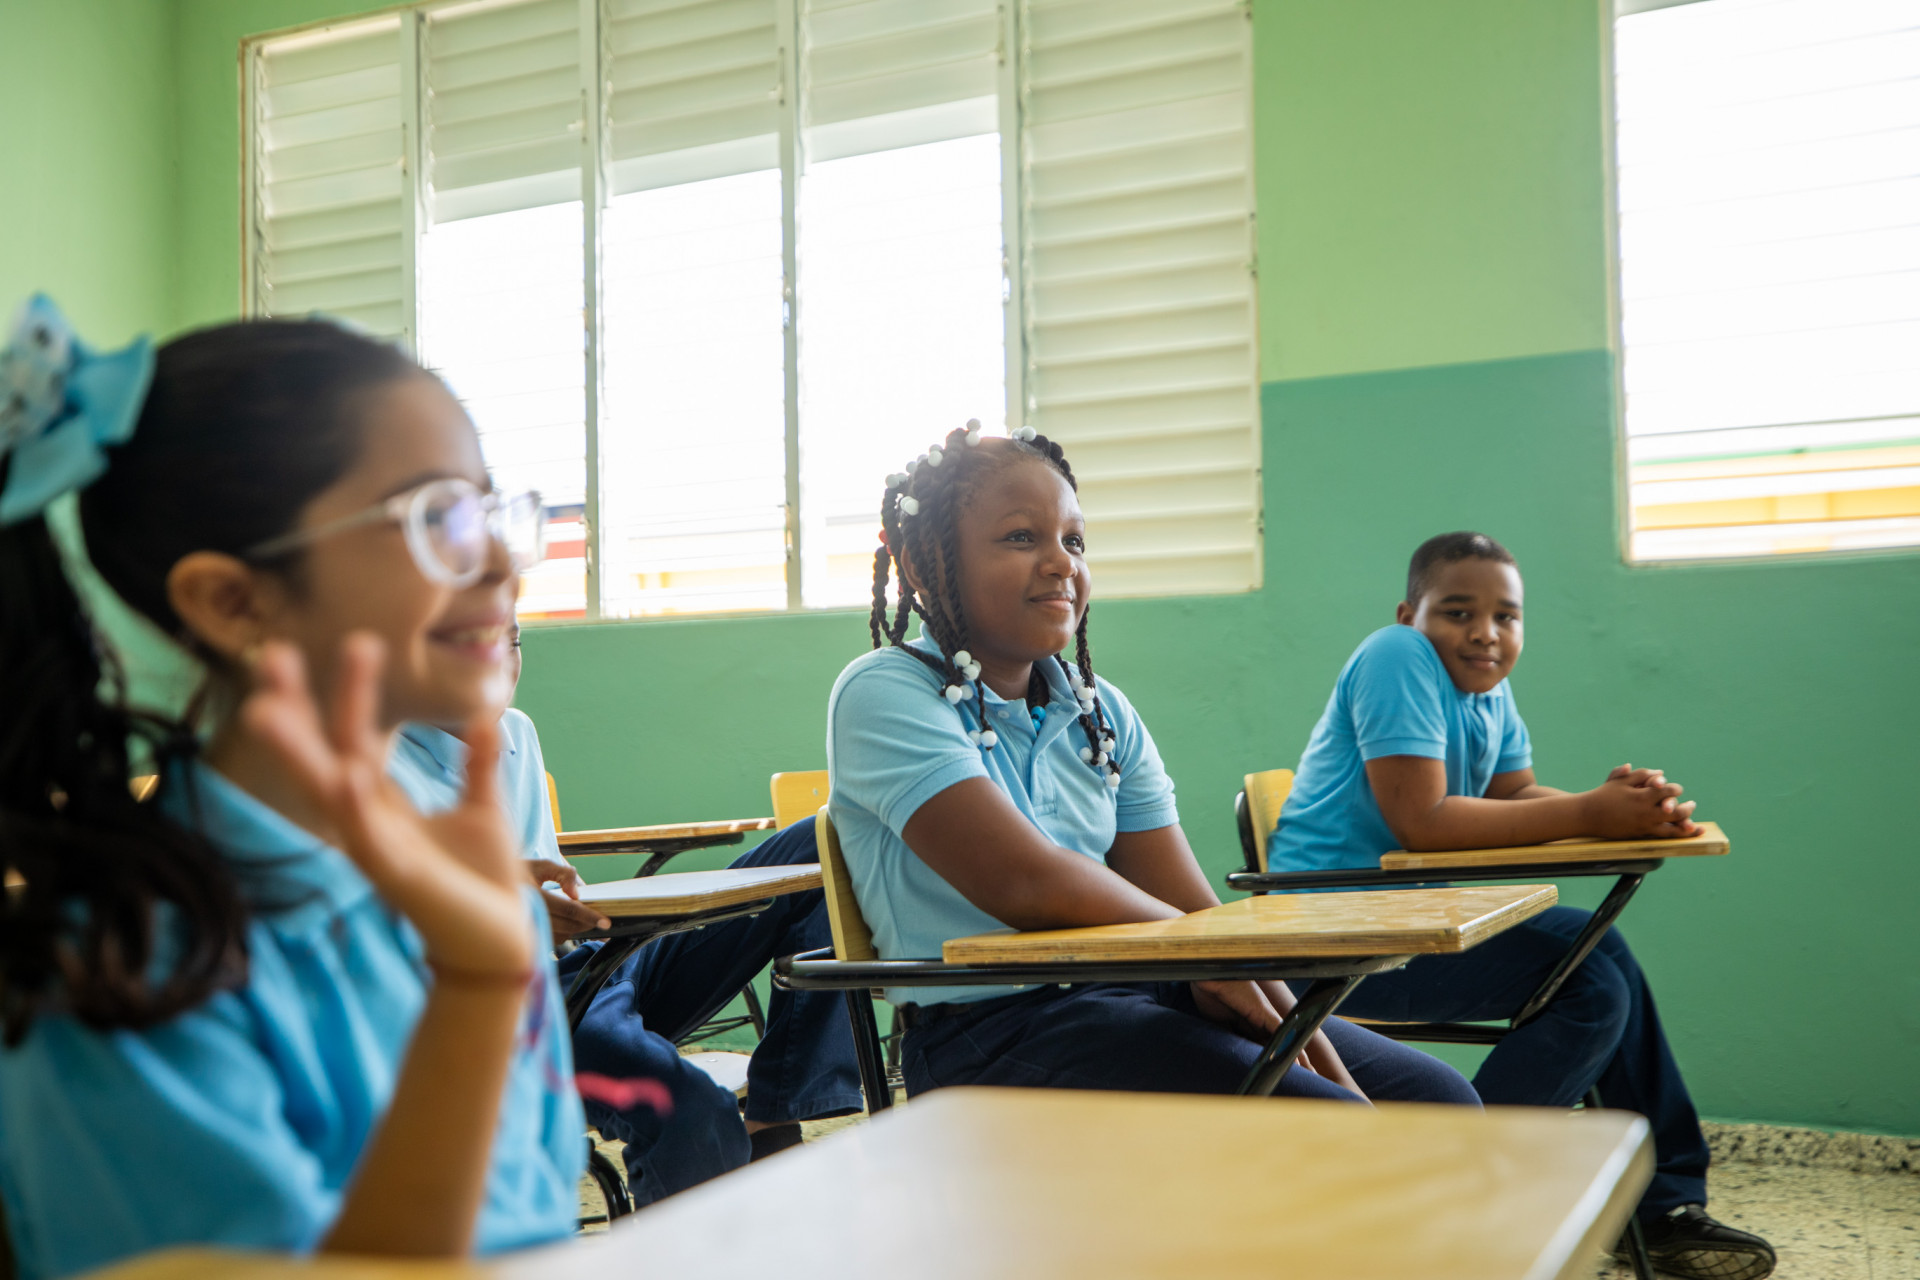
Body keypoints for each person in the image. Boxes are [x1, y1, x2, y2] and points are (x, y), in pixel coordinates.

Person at [0, 300, 580, 1279]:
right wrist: (476, 987)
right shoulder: (123, 967)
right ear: (235, 601)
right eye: (434, 515)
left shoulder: (472, 891)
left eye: (488, 510)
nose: (499, 561)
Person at [825, 422, 1480, 1106]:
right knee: (1327, 1119)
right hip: (991, 1034)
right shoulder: (886, 691)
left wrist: (1295, 1029)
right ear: (923, 565)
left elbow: (1194, 908)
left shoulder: (1100, 709)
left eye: (1074, 541)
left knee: (1434, 1098)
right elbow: (1024, 881)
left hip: (1141, 991)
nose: (1061, 564)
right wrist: (1200, 957)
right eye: (1021, 537)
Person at [1268, 530, 1774, 1280]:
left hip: (1421, 924)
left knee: (1597, 949)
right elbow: (1423, 822)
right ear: (1410, 615)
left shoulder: (1487, 690)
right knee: (1589, 983)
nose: (1485, 633)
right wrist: (1591, 814)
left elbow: (1514, 794)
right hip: (1335, 933)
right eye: (1458, 612)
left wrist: (1624, 811)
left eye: (1506, 617)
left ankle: (1660, 1204)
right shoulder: (1395, 654)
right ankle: (1460, 1194)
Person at [391, 627, 862, 1208]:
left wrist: (567, 905)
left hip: (586, 971)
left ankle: (777, 1114)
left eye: (510, 640)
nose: (498, 662)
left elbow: (547, 877)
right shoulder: (370, 767)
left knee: (821, 838)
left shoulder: (516, 733)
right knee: (693, 1113)